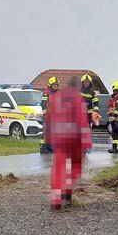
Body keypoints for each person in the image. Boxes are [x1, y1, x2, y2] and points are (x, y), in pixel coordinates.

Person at [48, 77, 91, 210]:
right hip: (74, 139)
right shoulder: (79, 100)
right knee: (74, 169)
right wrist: (86, 143)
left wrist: (48, 138)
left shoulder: (55, 98)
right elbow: (82, 121)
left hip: (59, 139)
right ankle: (67, 196)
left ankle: (55, 200)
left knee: (58, 169)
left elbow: (49, 118)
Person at [39, 76, 60, 154]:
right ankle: (43, 146)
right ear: (50, 85)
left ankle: (50, 146)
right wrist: (45, 113)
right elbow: (43, 104)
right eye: (54, 85)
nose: (56, 86)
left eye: (57, 85)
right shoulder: (46, 93)